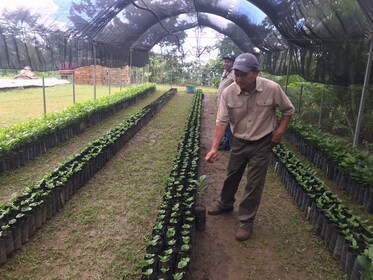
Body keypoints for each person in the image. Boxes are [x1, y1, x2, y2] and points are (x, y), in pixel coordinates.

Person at [205, 53, 295, 241]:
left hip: (262, 142)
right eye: (236, 74)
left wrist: (279, 132)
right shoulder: (229, 92)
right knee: (232, 175)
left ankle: (246, 221)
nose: (238, 79)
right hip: (238, 141)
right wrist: (214, 148)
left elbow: (288, 110)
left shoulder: (272, 89)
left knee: (254, 183)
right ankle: (225, 203)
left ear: (255, 73)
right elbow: (221, 122)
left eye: (243, 75)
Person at [217, 55, 235, 151]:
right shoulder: (225, 72)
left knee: (227, 123)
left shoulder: (234, 74)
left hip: (228, 103)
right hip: (221, 102)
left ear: (233, 63)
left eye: (228, 62)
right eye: (225, 62)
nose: (225, 64)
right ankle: (224, 140)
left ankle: (227, 143)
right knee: (222, 122)